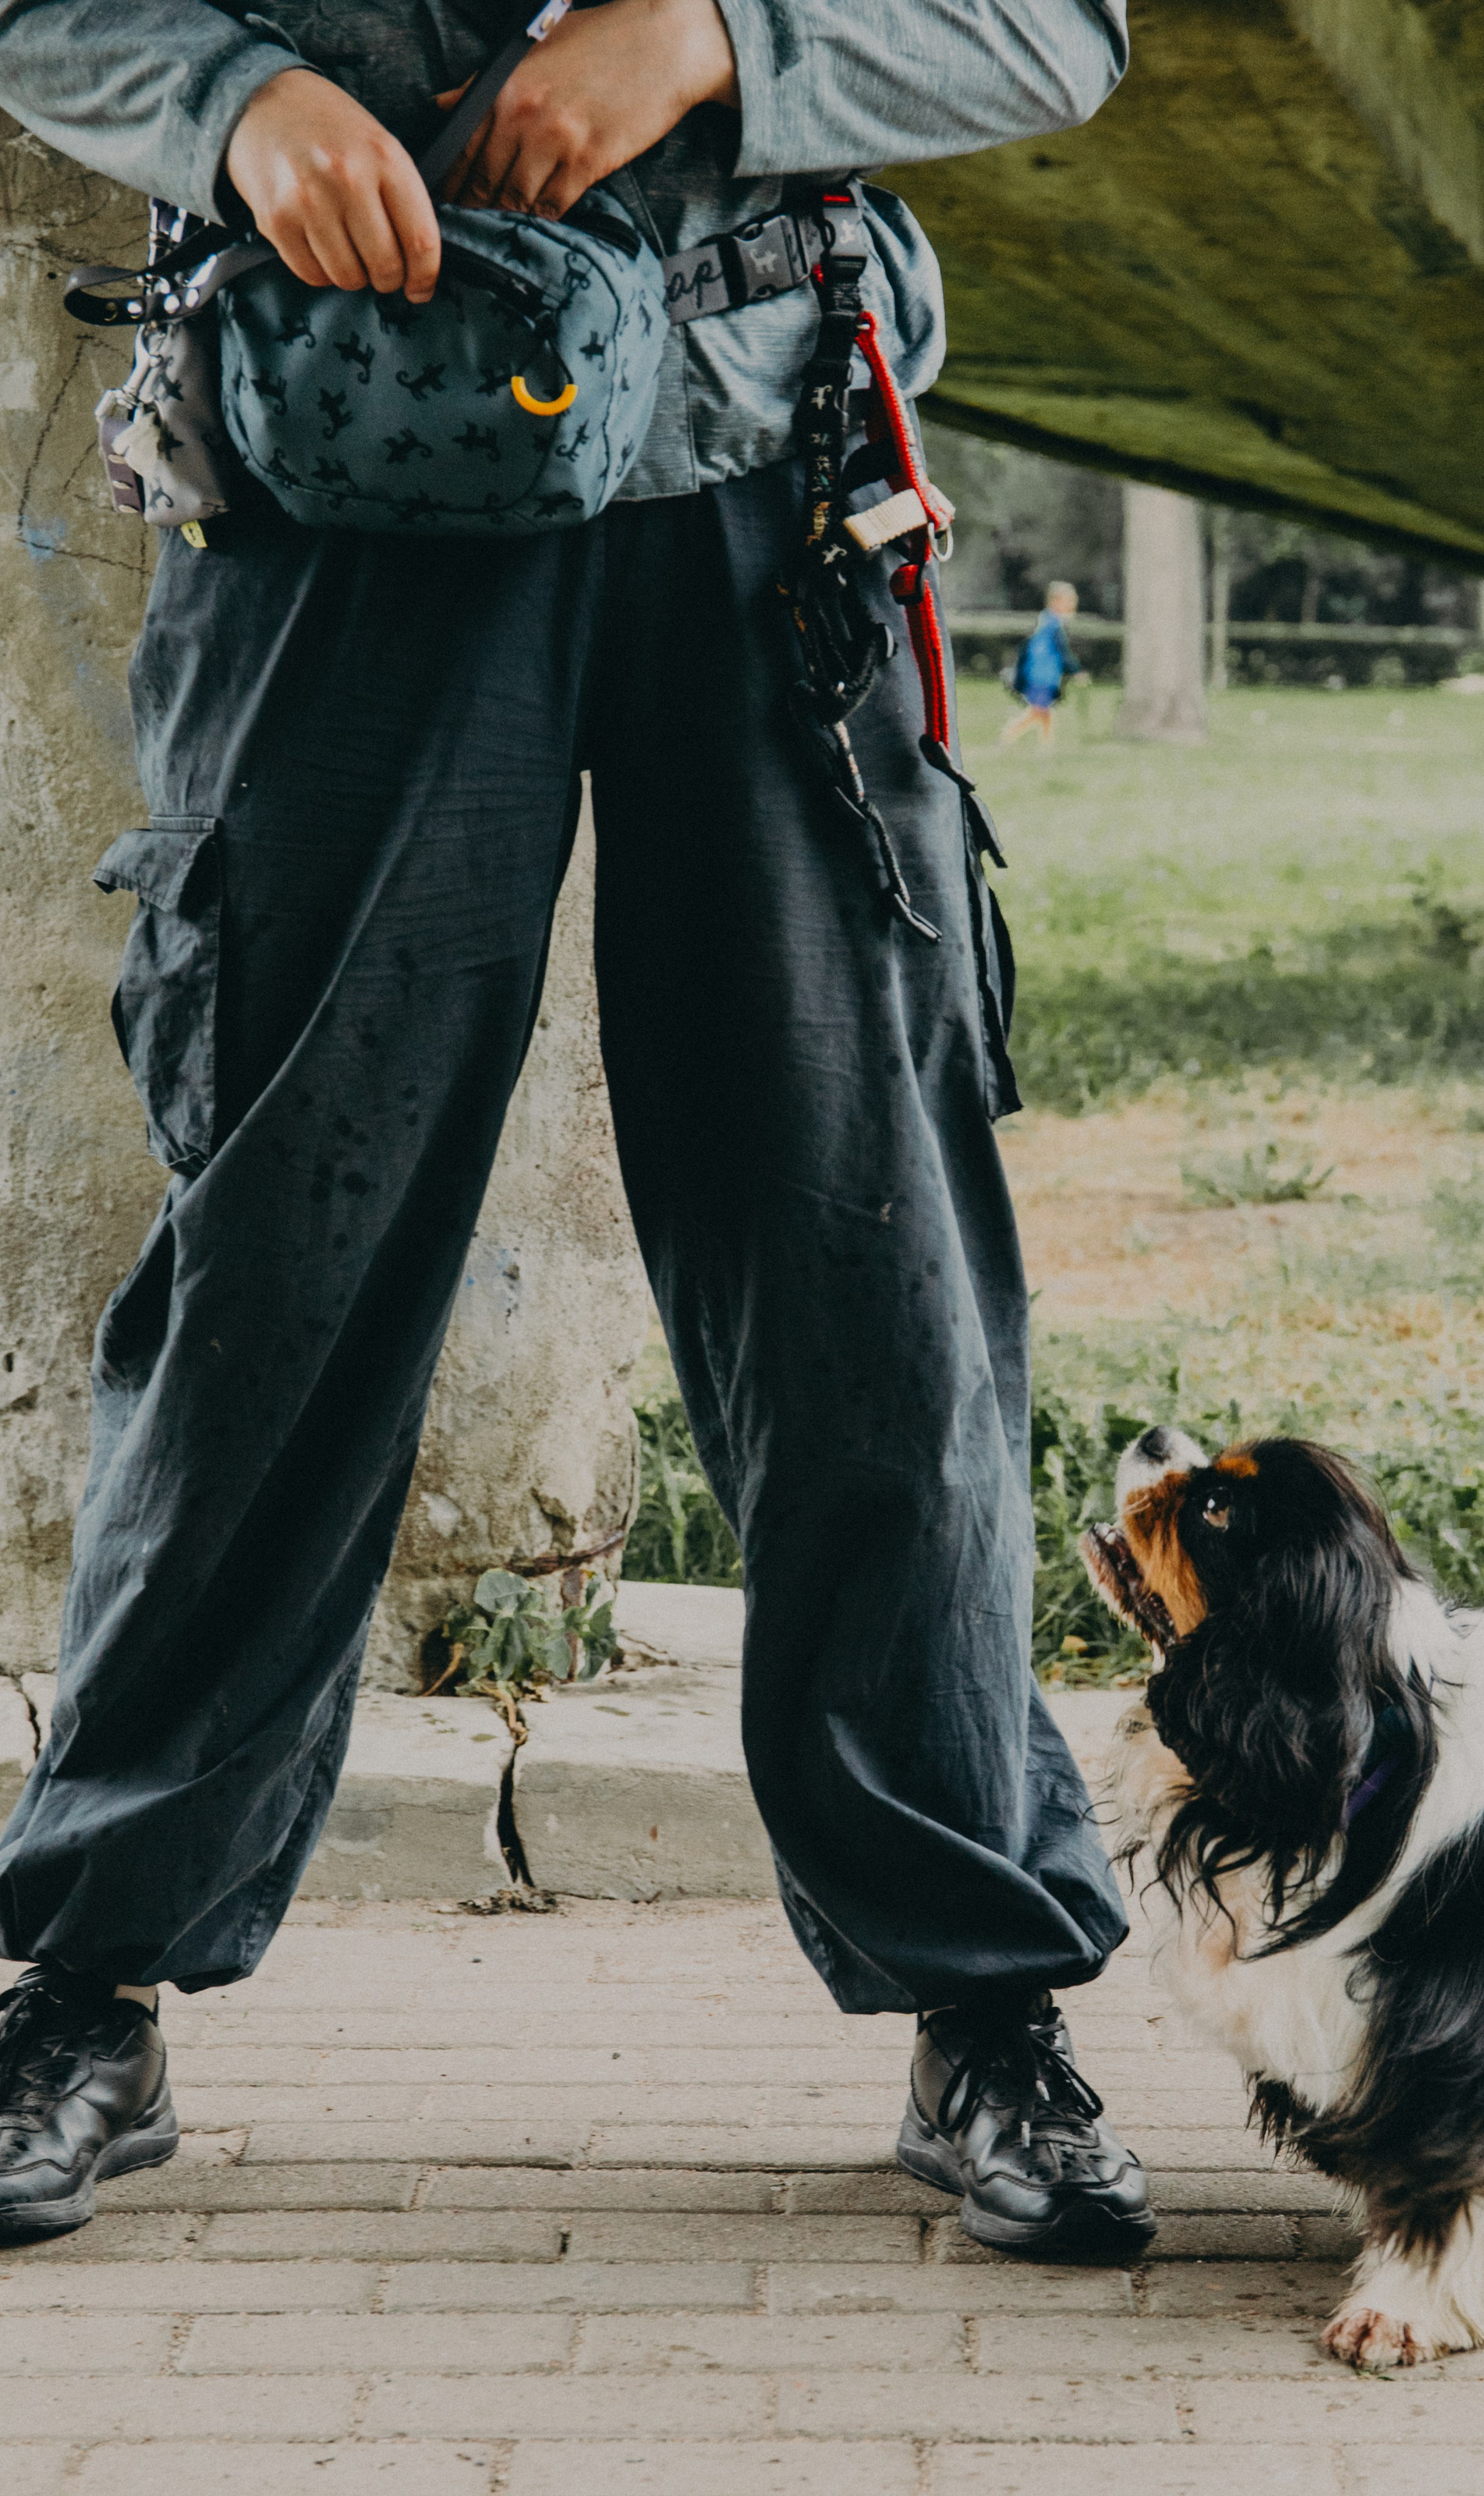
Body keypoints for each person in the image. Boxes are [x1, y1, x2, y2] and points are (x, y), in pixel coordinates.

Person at [0, 0, 1153, 2261]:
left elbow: (1054, 24)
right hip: (350, 464)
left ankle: (986, 1999)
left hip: (770, 475)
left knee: (869, 1258)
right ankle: (87, 1989)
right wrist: (232, 100)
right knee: (279, 1266)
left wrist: (723, 39)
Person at [1001, 577, 1084, 744]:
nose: (1072, 606)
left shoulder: (1046, 621)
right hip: (1042, 675)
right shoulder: (1053, 626)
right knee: (1038, 710)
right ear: (1056, 601)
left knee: (1045, 712)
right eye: (1069, 601)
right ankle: (1007, 736)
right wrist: (1076, 671)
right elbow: (1063, 652)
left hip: (1042, 674)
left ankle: (1046, 745)